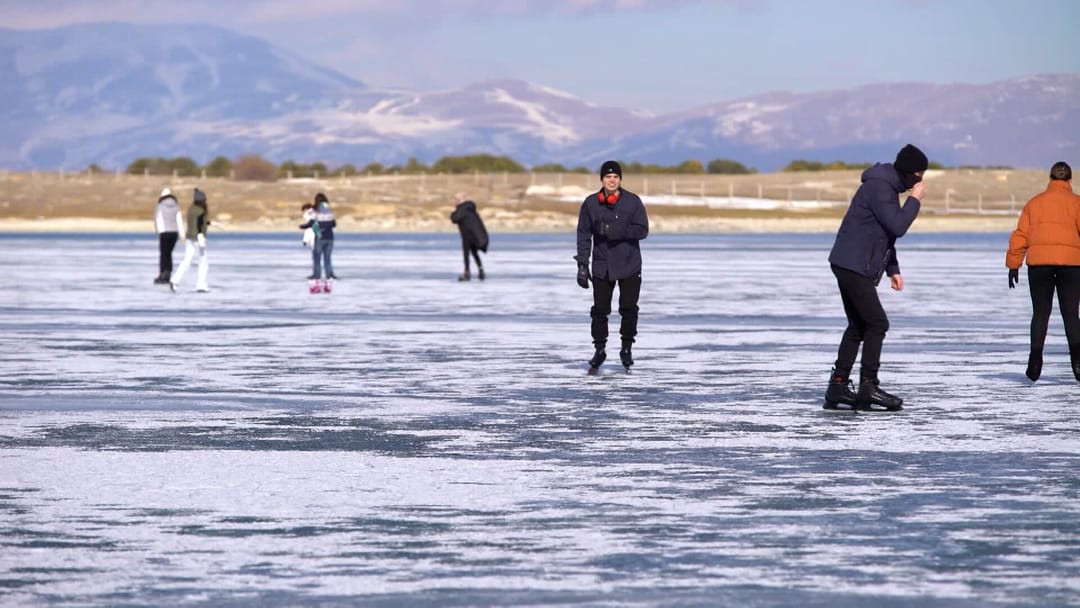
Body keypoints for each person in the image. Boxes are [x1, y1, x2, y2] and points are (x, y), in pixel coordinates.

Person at [823, 144, 927, 411]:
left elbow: (884, 234)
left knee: (858, 326)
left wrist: (893, 269)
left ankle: (838, 386)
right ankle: (869, 385)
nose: (921, 181)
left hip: (849, 262)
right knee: (877, 323)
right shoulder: (880, 188)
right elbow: (898, 226)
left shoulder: (885, 187)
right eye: (919, 174)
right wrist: (914, 201)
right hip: (853, 265)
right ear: (907, 172)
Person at [1006, 161, 1080, 383]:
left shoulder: (1034, 203)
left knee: (1041, 312)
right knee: (1070, 313)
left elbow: (1021, 235)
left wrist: (1014, 264)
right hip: (1072, 264)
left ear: (1050, 178)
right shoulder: (1077, 203)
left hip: (1039, 265)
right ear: (1069, 179)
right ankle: (1078, 361)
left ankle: (1035, 360)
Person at [575, 160, 649, 373]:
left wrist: (618, 231)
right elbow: (583, 235)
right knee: (600, 311)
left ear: (620, 179)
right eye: (608, 177)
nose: (612, 180)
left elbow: (643, 230)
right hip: (602, 265)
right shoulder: (590, 203)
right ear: (602, 179)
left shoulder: (633, 202)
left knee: (628, 309)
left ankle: (626, 348)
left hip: (629, 264)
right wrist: (582, 264)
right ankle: (599, 350)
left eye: (615, 177)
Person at [170, 187, 210, 293]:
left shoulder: (192, 209)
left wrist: (209, 223)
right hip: (198, 238)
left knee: (187, 260)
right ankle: (201, 285)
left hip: (190, 237)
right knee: (203, 261)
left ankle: (175, 280)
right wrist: (201, 235)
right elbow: (199, 224)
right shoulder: (201, 210)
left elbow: (196, 222)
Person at [449, 192, 489, 281]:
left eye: (456, 199)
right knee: (474, 253)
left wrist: (453, 212)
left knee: (466, 254)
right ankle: (480, 270)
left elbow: (455, 218)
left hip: (468, 235)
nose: (455, 201)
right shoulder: (470, 208)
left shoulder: (462, 209)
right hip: (473, 235)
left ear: (461, 200)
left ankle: (467, 272)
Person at [299, 192, 337, 282]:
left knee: (317, 257)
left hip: (320, 237)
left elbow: (313, 224)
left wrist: (303, 227)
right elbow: (334, 224)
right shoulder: (329, 210)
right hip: (330, 237)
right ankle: (329, 274)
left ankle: (317, 275)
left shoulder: (316, 211)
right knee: (327, 258)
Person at [153, 187, 183, 284]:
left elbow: (158, 218)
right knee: (169, 254)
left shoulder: (160, 206)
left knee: (163, 254)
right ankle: (168, 273)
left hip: (165, 232)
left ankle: (163, 274)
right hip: (174, 233)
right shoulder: (176, 206)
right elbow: (179, 219)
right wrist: (182, 233)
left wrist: (159, 231)